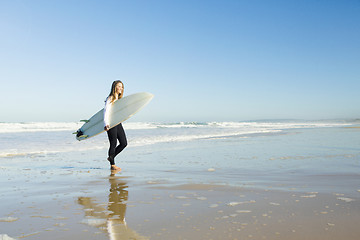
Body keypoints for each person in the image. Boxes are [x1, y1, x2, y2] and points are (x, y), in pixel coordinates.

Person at [104, 80, 127, 170]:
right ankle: (112, 165)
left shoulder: (119, 99)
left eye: (122, 87)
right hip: (111, 123)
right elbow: (106, 112)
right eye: (118, 86)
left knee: (124, 143)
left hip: (118, 123)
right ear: (114, 87)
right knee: (113, 143)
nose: (120, 88)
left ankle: (111, 157)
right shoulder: (110, 98)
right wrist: (106, 124)